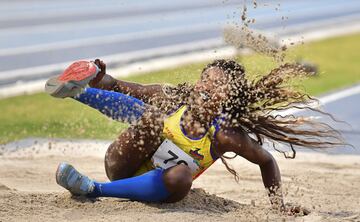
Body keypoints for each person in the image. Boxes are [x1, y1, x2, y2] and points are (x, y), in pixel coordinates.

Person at [46, 59, 343, 214]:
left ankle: (91, 189)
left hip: (163, 188)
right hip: (121, 166)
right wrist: (101, 78)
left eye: (215, 85)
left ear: (227, 97)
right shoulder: (176, 98)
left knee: (181, 176)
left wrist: (278, 207)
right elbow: (125, 87)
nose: (204, 86)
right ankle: (79, 92)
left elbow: (266, 161)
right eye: (204, 78)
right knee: (152, 116)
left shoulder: (225, 135)